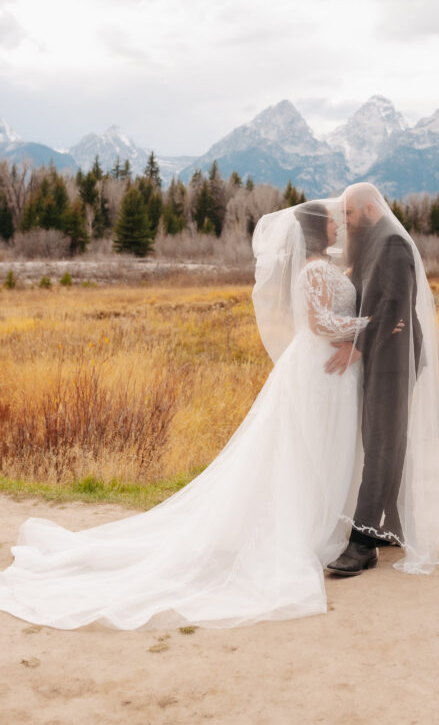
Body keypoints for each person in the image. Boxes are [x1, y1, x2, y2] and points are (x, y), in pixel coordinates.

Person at [0, 201, 368, 630]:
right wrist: (371, 324)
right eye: (329, 219)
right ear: (315, 230)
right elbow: (321, 324)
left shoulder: (327, 267)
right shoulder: (314, 271)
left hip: (328, 369)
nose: (336, 224)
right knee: (304, 447)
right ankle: (306, 527)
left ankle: (326, 522)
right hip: (319, 367)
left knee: (317, 447)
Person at [326, 183, 439, 577]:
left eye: (348, 214)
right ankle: (391, 527)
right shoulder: (373, 241)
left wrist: (359, 346)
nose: (345, 221)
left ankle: (362, 543)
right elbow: (374, 300)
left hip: (393, 360)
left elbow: (394, 303)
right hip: (387, 352)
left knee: (382, 443)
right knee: (387, 442)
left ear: (369, 209)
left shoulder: (394, 243)